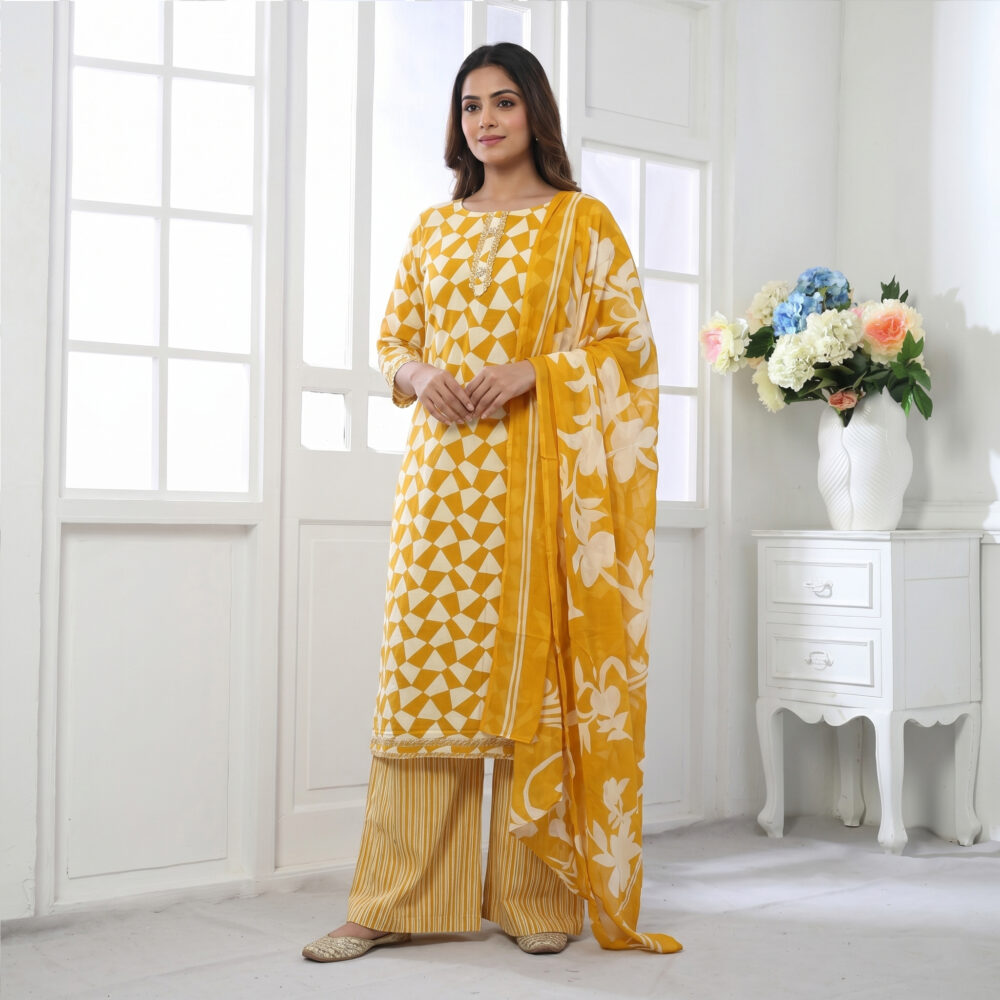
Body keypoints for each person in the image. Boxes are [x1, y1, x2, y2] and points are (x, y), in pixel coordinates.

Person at [302, 41, 680, 963]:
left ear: (533, 112)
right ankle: (395, 899)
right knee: (424, 682)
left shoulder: (582, 222)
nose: (485, 120)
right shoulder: (433, 228)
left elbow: (630, 349)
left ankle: (534, 891)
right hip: (441, 487)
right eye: (471, 106)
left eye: (503, 102)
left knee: (530, 679)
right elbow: (393, 340)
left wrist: (535, 371)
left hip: (538, 485)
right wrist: (418, 375)